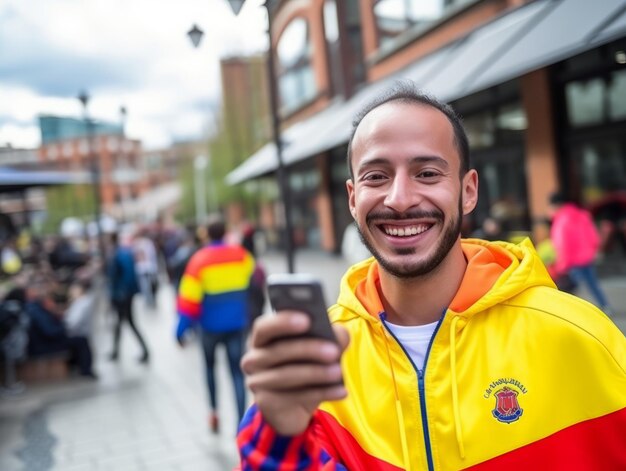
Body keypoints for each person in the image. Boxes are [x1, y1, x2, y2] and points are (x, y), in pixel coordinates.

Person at [237, 82, 626, 469]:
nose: (400, 199)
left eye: (426, 173)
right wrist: (277, 437)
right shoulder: (319, 365)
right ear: (353, 199)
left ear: (468, 190)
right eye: (376, 176)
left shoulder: (581, 337)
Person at [176, 217, 254, 433]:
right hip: (236, 324)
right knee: (237, 373)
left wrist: (180, 331)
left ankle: (214, 412)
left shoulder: (199, 260)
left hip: (209, 328)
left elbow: (189, 300)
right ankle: (241, 422)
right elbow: (252, 276)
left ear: (207, 235)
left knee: (209, 369)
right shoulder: (240, 255)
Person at [549, 192, 614, 313]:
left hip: (572, 261)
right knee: (593, 284)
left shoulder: (561, 220)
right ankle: (605, 306)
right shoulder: (583, 214)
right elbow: (593, 235)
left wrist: (562, 264)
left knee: (570, 288)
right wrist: (595, 249)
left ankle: (574, 313)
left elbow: (561, 244)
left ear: (557, 205)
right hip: (587, 257)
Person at [24, 280, 96, 378]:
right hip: (43, 345)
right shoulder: (35, 310)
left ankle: (77, 366)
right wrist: (63, 328)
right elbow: (49, 331)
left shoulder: (36, 307)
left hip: (43, 341)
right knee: (81, 340)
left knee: (78, 339)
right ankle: (85, 370)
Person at [107, 232, 149, 363]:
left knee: (127, 322)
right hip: (123, 294)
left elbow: (125, 276)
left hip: (122, 295)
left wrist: (121, 292)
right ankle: (116, 351)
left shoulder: (119, 254)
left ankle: (144, 351)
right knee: (121, 323)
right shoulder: (122, 253)